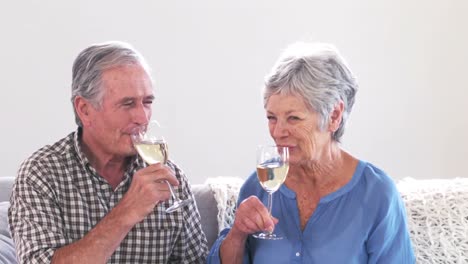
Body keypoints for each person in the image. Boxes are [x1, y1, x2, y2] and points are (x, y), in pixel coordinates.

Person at [208, 42, 415, 263]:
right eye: (271, 117)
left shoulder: (376, 194)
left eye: (293, 118)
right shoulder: (259, 186)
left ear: (334, 115)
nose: (277, 132)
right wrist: (238, 234)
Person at [8, 41, 208, 263]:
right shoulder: (41, 174)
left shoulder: (171, 178)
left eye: (147, 102)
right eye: (128, 104)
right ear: (84, 109)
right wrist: (125, 213)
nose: (142, 118)